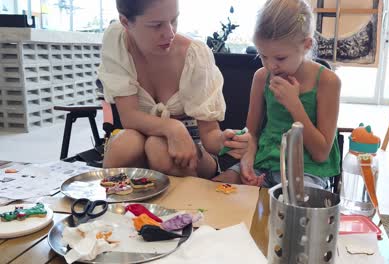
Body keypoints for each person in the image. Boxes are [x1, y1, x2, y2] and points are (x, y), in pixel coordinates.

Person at [98, 0, 251, 179]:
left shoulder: (194, 55)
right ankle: (114, 204)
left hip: (194, 151)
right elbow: (128, 117)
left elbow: (209, 135)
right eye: (156, 25)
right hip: (140, 142)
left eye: (174, 20)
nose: (170, 33)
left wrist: (227, 141)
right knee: (123, 145)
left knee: (158, 148)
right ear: (125, 23)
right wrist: (172, 127)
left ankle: (185, 205)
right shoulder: (117, 40)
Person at [217, 0, 341, 188]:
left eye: (280, 58)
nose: (271, 66)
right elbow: (251, 133)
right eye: (263, 56)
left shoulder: (328, 82)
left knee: (294, 206)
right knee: (219, 187)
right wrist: (247, 160)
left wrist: (294, 105)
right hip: (264, 163)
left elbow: (321, 153)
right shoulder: (261, 77)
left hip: (306, 170)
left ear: (307, 45)